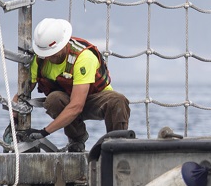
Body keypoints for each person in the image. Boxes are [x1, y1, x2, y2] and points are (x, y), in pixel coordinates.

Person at [17, 18, 131, 152]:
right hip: (66, 100)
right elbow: (23, 93)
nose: (49, 57)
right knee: (54, 100)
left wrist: (44, 132)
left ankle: (118, 146)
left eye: (52, 53)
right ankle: (77, 140)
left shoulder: (84, 57)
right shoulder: (40, 59)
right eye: (45, 54)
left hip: (92, 100)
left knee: (117, 100)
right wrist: (14, 117)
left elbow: (77, 106)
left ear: (64, 44)